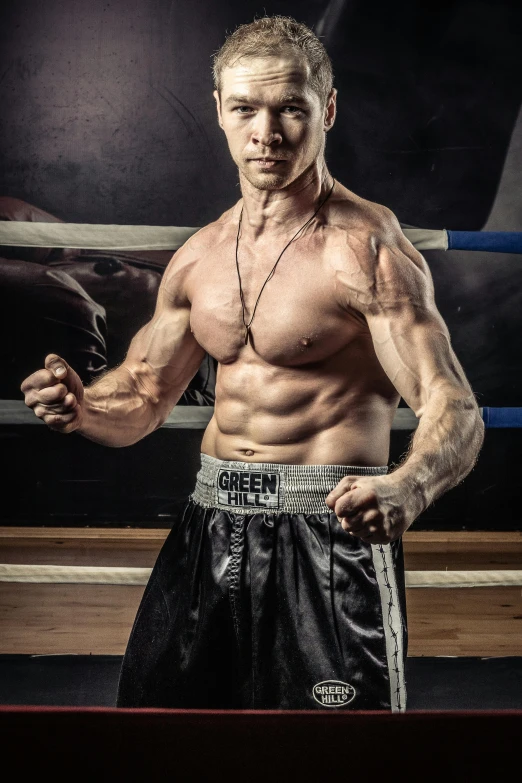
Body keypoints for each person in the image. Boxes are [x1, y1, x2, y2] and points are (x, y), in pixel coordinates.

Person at [20, 16, 484, 711]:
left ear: (325, 109)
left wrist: (407, 487)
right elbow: (144, 391)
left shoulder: (364, 250)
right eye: (245, 108)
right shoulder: (201, 256)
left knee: (340, 761)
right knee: (158, 734)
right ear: (218, 110)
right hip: (208, 527)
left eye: (290, 108)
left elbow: (456, 407)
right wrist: (85, 405)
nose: (266, 131)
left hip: (328, 534)